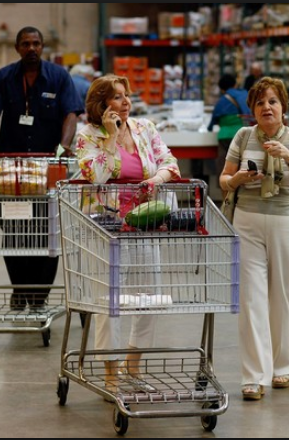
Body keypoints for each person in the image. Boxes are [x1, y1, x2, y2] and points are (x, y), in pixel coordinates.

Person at [75, 74, 181, 394]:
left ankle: (132, 364)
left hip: (144, 225)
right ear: (102, 104)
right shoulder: (87, 136)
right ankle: (110, 372)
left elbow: (170, 163)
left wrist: (156, 181)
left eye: (126, 96)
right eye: (118, 97)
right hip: (105, 228)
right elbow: (95, 174)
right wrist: (110, 138)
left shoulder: (144, 128)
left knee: (150, 296)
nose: (126, 103)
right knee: (110, 303)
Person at [0, 26, 83, 312]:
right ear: (17, 48)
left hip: (50, 167)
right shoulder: (4, 78)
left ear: (43, 46)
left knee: (48, 230)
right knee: (13, 230)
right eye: (25, 44)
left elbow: (70, 114)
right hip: (13, 169)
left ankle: (40, 295)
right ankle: (20, 289)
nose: (31, 48)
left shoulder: (59, 77)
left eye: (36, 43)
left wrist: (63, 148)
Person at [219, 77, 289, 400]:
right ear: (253, 110)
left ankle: (281, 367)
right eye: (260, 103)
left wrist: (287, 157)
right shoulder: (243, 137)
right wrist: (239, 178)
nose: (266, 107)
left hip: (287, 221)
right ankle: (253, 376)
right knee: (251, 299)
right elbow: (224, 180)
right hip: (248, 220)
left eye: (272, 101)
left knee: (282, 296)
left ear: (283, 107)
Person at [207, 73, 250, 194]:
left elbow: (211, 124)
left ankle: (226, 202)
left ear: (221, 89)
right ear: (235, 84)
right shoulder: (245, 95)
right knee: (244, 168)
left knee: (224, 170)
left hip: (225, 137)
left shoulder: (221, 101)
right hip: (243, 135)